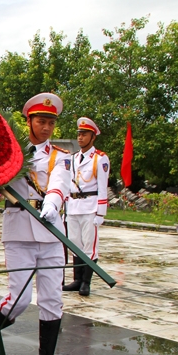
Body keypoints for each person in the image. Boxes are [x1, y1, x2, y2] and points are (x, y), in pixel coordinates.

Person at [0, 92, 72, 355]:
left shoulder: (60, 157)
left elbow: (59, 182)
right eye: (41, 121)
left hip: (51, 232)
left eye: (50, 123)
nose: (45, 128)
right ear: (28, 121)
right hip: (19, 231)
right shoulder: (12, 152)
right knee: (19, 298)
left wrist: (53, 204)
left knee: (52, 299)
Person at [63, 117, 110, 296]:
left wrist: (101, 213)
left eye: (84, 134)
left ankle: (85, 282)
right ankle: (76, 279)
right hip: (73, 206)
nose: (80, 138)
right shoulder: (73, 158)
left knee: (89, 246)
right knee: (75, 244)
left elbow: (102, 187)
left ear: (93, 137)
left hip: (90, 206)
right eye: (79, 134)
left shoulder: (100, 159)